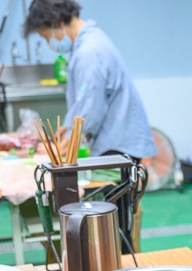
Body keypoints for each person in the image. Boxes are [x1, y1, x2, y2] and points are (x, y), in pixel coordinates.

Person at [23, 0, 157, 162]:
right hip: (116, 142)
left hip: (118, 147)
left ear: (56, 23)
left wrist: (60, 150)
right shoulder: (89, 42)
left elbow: (90, 110)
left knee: (104, 187)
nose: (49, 43)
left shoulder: (89, 51)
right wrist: (67, 128)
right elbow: (85, 99)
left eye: (46, 37)